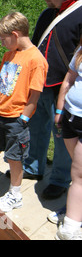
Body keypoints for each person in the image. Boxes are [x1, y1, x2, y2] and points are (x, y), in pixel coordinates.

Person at [0, 12, 48, 213]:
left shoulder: (36, 60)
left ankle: (15, 194)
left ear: (15, 35)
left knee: (15, 157)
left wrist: (24, 117)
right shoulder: (10, 54)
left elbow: (34, 95)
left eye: (3, 39)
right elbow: (2, 81)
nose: (1, 44)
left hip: (16, 118)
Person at [23, 0, 82, 200]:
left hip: (64, 85)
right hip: (41, 83)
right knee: (36, 127)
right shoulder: (48, 14)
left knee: (61, 135)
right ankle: (33, 167)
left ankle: (59, 179)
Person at [53, 35, 82, 240]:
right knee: (78, 168)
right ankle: (76, 207)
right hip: (71, 116)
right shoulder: (81, 51)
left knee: (79, 174)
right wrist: (60, 108)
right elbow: (69, 78)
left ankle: (71, 226)